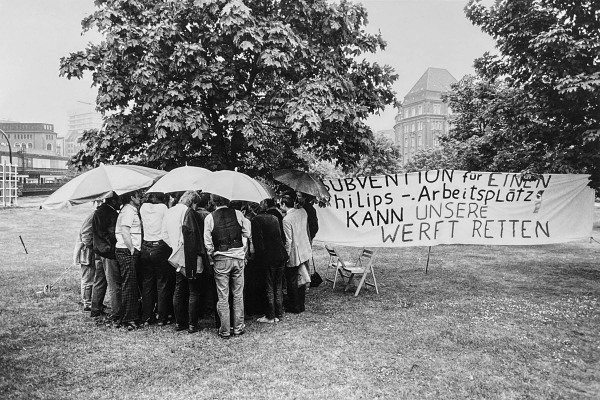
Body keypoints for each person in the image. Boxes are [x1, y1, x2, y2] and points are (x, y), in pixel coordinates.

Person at [204, 194, 252, 339]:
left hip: (221, 259)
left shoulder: (210, 218)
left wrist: (212, 254)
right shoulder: (237, 214)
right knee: (238, 294)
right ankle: (238, 327)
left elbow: (207, 243)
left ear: (213, 201)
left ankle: (224, 329)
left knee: (222, 296)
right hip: (237, 257)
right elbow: (247, 232)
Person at [162, 190, 204, 333]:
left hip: (176, 254)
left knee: (179, 289)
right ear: (192, 202)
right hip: (189, 254)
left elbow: (164, 234)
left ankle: (180, 322)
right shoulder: (189, 212)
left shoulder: (169, 211)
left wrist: (174, 246)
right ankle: (192, 323)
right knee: (194, 290)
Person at [251, 200, 288, 323]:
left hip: (269, 257)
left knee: (269, 286)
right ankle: (279, 313)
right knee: (278, 285)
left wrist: (259, 259)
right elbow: (281, 236)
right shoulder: (274, 218)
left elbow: (258, 243)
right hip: (280, 254)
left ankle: (270, 315)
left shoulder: (255, 221)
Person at [139, 192, 170, 326]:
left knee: (147, 283)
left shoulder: (143, 207)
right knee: (162, 283)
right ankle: (162, 317)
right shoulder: (163, 208)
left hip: (146, 246)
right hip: (159, 245)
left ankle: (146, 316)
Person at [114, 190, 144, 330]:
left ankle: (129, 315)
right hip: (126, 251)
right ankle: (129, 318)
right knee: (129, 284)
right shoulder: (128, 211)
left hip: (127, 250)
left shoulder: (131, 210)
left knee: (130, 283)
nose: (141, 198)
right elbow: (125, 230)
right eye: (138, 196)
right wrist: (131, 249)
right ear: (132, 197)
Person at [90, 193, 121, 324]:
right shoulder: (110, 213)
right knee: (114, 283)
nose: (120, 202)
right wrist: (113, 247)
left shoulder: (98, 211)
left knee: (99, 281)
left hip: (98, 250)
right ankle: (117, 312)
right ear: (113, 200)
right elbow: (112, 233)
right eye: (119, 200)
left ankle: (95, 308)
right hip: (108, 252)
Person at [281, 195, 312, 313]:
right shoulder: (303, 212)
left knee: (292, 280)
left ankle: (294, 306)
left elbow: (288, 240)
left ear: (284, 205)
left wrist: (286, 256)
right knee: (302, 278)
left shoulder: (286, 219)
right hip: (304, 248)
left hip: (295, 252)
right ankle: (301, 304)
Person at [72, 210, 95, 312]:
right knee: (87, 278)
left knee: (92, 278)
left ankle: (91, 301)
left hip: (91, 251)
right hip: (87, 252)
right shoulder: (93, 216)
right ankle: (87, 303)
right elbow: (85, 234)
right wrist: (92, 245)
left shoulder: (95, 214)